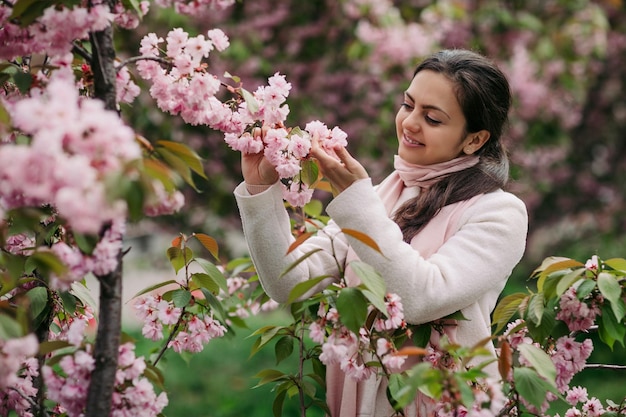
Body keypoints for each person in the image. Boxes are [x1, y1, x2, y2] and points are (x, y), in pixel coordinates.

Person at [233, 49, 528, 417]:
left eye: (432, 118)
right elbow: (291, 281)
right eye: (408, 105)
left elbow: (422, 297)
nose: (410, 123)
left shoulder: (498, 213)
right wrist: (261, 192)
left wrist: (354, 201)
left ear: (473, 140)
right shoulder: (381, 198)